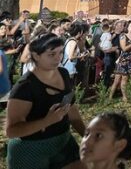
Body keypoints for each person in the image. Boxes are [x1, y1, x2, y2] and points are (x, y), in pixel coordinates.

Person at [5, 33, 86, 169]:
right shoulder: (24, 87)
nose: (58, 58)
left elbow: (72, 110)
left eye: (60, 52)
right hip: (30, 150)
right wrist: (47, 121)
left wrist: (88, 136)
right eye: (51, 54)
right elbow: (12, 131)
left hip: (63, 142)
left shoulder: (63, 73)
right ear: (36, 55)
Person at [109, 21, 131, 103]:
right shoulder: (123, 36)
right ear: (127, 27)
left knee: (129, 78)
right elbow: (124, 48)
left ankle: (125, 95)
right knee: (119, 80)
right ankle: (120, 97)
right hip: (124, 60)